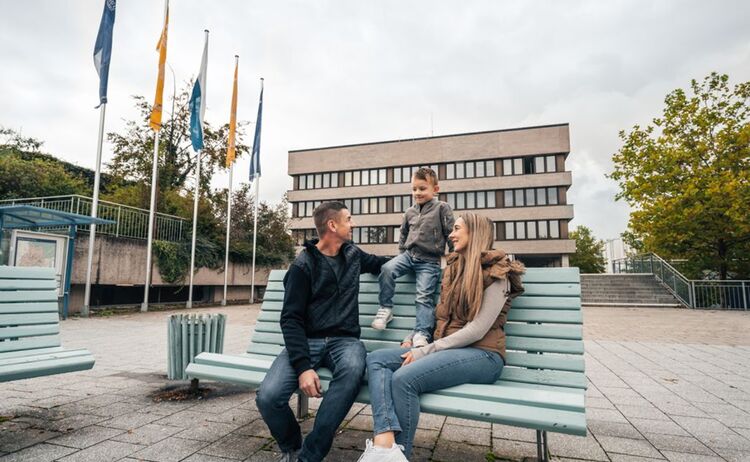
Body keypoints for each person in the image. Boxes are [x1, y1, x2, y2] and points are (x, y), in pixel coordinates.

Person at [357, 212, 526, 461]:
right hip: (449, 350)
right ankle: (386, 443)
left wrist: (426, 350)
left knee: (404, 378)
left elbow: (477, 330)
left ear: (475, 233)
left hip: (483, 355)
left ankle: (396, 455)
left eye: (457, 229)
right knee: (378, 359)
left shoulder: (498, 273)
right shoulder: (453, 268)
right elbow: (441, 316)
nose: (451, 234)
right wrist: (416, 335)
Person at [255, 201, 389, 462]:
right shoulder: (303, 266)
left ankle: (310, 456)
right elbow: (290, 319)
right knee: (268, 397)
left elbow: (380, 263)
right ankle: (293, 448)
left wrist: (418, 263)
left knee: (351, 371)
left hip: (346, 342)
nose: (353, 224)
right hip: (308, 340)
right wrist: (304, 367)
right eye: (349, 219)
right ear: (332, 225)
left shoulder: (353, 255)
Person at [372, 167, 454, 348]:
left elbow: (450, 233)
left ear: (435, 189)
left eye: (422, 188)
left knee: (423, 296)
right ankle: (386, 308)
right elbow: (403, 234)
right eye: (414, 189)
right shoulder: (410, 212)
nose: (417, 193)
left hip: (429, 261)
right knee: (387, 269)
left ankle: (422, 333)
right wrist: (401, 256)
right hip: (409, 256)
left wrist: (454, 258)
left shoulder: (442, 208)